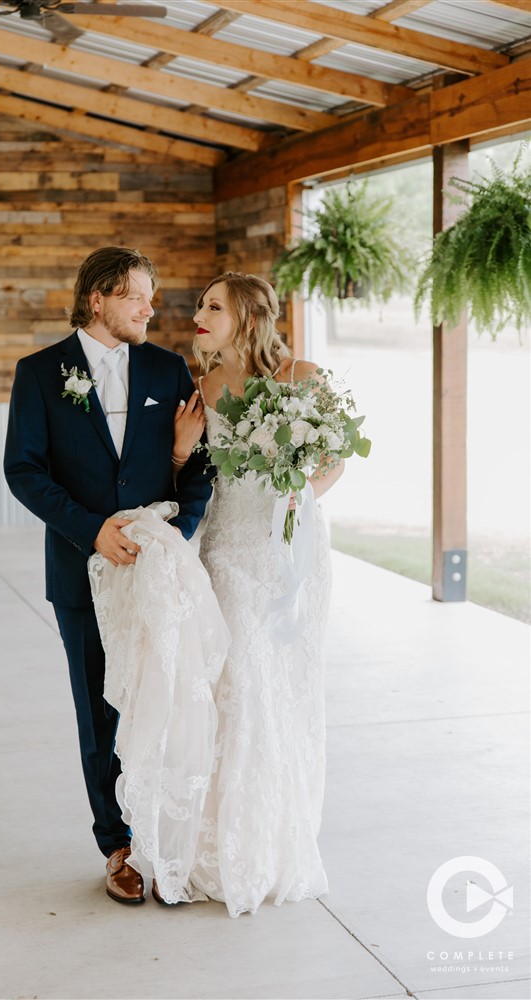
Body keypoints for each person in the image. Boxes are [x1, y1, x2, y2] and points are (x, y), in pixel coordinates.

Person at [3, 246, 212, 906]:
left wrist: (174, 535)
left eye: (150, 296)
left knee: (167, 703)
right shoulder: (41, 373)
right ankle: (116, 846)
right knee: (100, 714)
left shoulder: (166, 367)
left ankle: (170, 838)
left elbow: (200, 464)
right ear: (98, 298)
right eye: (136, 297)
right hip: (80, 571)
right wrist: (90, 528)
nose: (151, 308)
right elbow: (24, 469)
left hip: (158, 575)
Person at [171, 271, 345, 917]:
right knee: (240, 684)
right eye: (200, 304)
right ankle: (229, 848)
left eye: (212, 305)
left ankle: (279, 840)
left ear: (246, 314)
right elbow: (191, 476)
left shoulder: (304, 377)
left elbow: (332, 461)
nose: (199, 313)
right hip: (227, 549)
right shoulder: (205, 387)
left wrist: (300, 501)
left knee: (288, 690)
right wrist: (181, 451)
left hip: (291, 551)